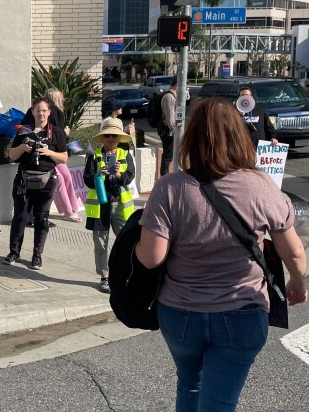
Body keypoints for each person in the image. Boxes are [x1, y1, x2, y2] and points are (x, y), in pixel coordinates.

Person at [135, 98, 307, 412]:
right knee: (219, 402)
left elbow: (150, 258)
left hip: (180, 313)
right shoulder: (260, 186)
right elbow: (294, 252)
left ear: (192, 138)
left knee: (189, 383)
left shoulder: (170, 187)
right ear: (238, 136)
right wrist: (297, 282)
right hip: (241, 310)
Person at [2, 98, 68, 270]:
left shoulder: (57, 133)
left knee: (41, 217)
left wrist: (48, 151)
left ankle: (37, 254)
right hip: (24, 179)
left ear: (49, 112)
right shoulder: (24, 131)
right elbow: (12, 155)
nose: (41, 113)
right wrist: (23, 147)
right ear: (32, 112)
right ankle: (14, 252)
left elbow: (64, 158)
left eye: (44, 110)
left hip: (46, 179)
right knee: (20, 216)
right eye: (38, 110)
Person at [83, 117, 135, 293]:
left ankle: (125, 274)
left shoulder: (125, 154)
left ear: (120, 138)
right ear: (102, 138)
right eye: (107, 136)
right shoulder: (95, 155)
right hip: (100, 206)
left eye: (114, 136)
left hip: (120, 205)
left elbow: (130, 176)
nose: (111, 139)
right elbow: (87, 180)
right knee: (101, 244)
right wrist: (99, 174)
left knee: (126, 242)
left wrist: (119, 175)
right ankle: (104, 277)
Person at [45, 88, 82, 222]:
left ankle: (71, 207)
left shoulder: (55, 113)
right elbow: (56, 133)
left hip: (57, 152)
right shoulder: (55, 112)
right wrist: (64, 133)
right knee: (60, 179)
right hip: (51, 152)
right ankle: (67, 210)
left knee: (66, 176)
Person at [158, 77, 189, 176]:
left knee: (175, 154)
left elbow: (187, 98)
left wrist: (186, 91)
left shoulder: (175, 96)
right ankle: (164, 177)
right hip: (168, 131)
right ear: (177, 85)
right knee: (168, 156)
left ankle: (175, 173)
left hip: (173, 130)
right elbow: (169, 116)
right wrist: (174, 131)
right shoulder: (169, 97)